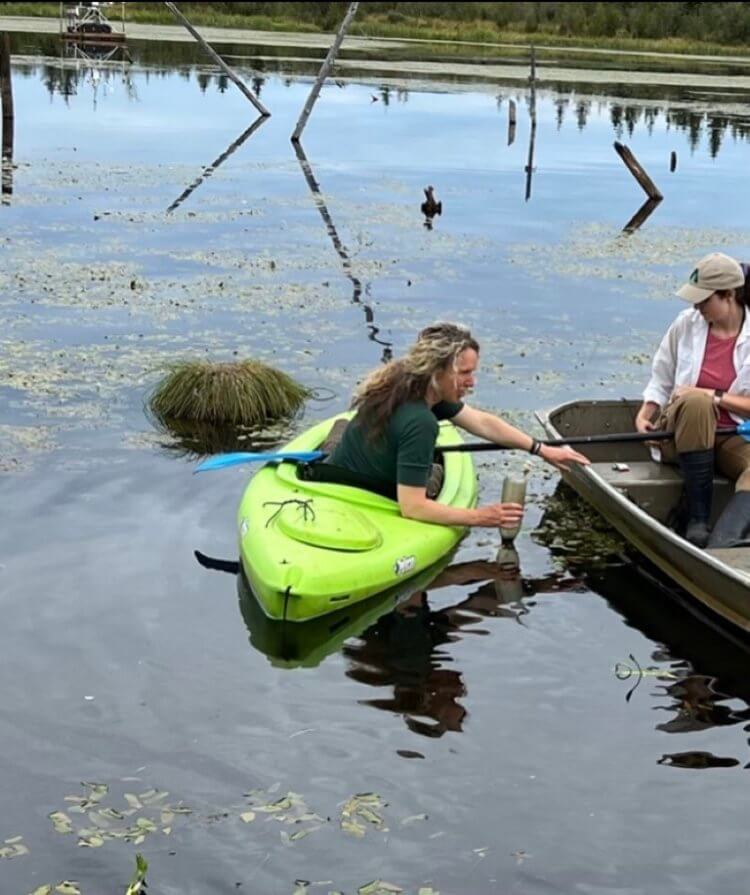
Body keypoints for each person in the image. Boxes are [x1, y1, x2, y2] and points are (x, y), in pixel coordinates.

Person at [324, 321, 589, 529]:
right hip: (367, 495)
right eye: (464, 373)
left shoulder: (404, 383)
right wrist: (481, 516)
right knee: (434, 473)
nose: (472, 381)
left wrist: (542, 449)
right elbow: (413, 508)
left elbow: (482, 422)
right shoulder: (421, 422)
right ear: (436, 370)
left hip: (337, 476)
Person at [635, 252, 750, 548]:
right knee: (698, 404)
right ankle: (697, 519)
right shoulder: (685, 324)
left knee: (703, 399)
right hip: (680, 434)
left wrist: (713, 395)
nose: (697, 307)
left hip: (729, 435)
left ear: (729, 295)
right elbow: (660, 379)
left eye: (704, 300)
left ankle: (725, 541)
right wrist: (644, 415)